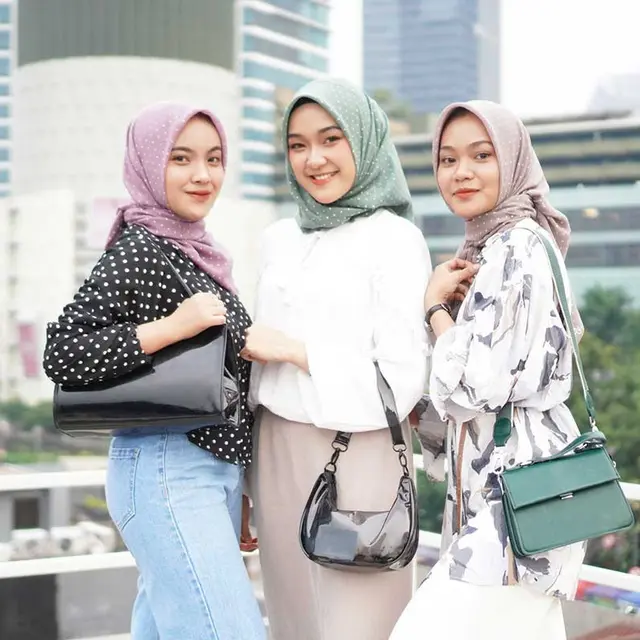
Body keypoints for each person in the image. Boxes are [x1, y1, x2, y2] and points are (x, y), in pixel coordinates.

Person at [42, 102, 266, 640]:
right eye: (180, 158)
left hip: (202, 474)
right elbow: (63, 351)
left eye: (214, 159)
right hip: (166, 469)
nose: (202, 174)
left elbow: (227, 385)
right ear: (147, 162)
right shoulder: (141, 249)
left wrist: (237, 488)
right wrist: (171, 327)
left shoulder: (198, 253)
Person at [240, 78, 431, 640]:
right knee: (292, 619)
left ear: (363, 142)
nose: (314, 159)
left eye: (330, 139)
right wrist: (245, 484)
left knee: (357, 621)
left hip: (358, 457)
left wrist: (297, 352)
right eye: (297, 145)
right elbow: (252, 372)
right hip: (273, 452)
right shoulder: (278, 239)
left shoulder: (395, 239)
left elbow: (402, 377)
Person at [390, 100, 586, 640]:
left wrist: (434, 308)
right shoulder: (489, 247)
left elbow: (475, 383)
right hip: (507, 490)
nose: (462, 172)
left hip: (519, 494)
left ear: (513, 160)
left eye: (482, 155)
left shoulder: (517, 246)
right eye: (448, 159)